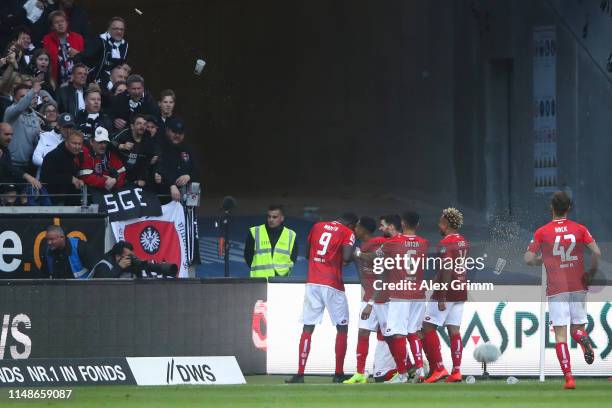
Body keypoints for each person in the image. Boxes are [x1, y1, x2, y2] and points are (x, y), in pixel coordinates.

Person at [524, 191, 600, 390]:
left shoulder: (542, 232)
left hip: (557, 288)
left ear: (552, 207)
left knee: (560, 335)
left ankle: (569, 378)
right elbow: (596, 252)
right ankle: (582, 337)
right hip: (578, 285)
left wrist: (542, 260)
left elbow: (528, 259)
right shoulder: (580, 229)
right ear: (569, 208)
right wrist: (591, 272)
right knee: (577, 328)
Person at [285, 213, 357, 384]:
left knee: (308, 327)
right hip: (333, 283)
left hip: (313, 282)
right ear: (352, 224)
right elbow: (347, 257)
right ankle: (338, 374)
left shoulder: (317, 226)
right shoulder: (348, 232)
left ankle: (300, 374)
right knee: (342, 327)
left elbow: (308, 254)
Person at [422, 207, 469, 383]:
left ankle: (439, 368)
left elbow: (447, 268)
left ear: (446, 224)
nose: (438, 225)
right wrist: (437, 277)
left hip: (447, 291)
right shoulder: (463, 241)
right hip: (460, 289)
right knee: (454, 330)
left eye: (440, 222)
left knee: (428, 326)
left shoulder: (444, 243)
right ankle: (456, 371)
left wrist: (441, 296)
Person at [342, 216, 388, 384]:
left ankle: (406, 367)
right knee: (363, 332)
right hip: (368, 295)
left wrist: (371, 303)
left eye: (357, 227)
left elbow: (383, 274)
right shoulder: (360, 247)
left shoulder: (380, 244)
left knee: (389, 335)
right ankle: (360, 372)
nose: (355, 230)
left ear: (364, 230)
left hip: (382, 298)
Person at [244, 204, 298, 278]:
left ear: (282, 218)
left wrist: (283, 271)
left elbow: (293, 258)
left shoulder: (291, 235)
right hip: (259, 279)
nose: (271, 219)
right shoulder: (255, 232)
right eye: (269, 216)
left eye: (274, 217)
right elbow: (248, 256)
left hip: (281, 279)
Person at [3, 83, 41, 176]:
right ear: (15, 99)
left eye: (27, 96)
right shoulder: (10, 111)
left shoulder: (34, 116)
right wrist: (33, 91)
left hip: (28, 165)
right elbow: (20, 107)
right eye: (22, 96)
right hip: (10, 163)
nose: (26, 99)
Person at [40, 129, 84, 205]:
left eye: (79, 144)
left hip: (74, 199)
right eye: (74, 143)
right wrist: (70, 178)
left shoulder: (79, 155)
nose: (77, 147)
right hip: (56, 200)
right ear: (66, 142)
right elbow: (46, 178)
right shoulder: (53, 156)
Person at [112, 114, 157, 188]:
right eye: (139, 123)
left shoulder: (148, 139)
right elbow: (110, 142)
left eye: (144, 124)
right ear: (132, 126)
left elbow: (146, 163)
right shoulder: (126, 133)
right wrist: (121, 146)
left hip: (135, 175)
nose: (142, 126)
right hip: (118, 172)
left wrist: (142, 179)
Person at [153, 118, 193, 201]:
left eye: (180, 133)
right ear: (167, 131)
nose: (177, 135)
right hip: (165, 194)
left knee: (194, 188)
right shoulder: (160, 148)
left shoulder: (188, 148)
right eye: (174, 132)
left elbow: (197, 169)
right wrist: (171, 185)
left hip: (185, 193)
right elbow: (159, 170)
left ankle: (189, 213)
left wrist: (189, 176)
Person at [42, 10, 85, 86]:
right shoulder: (47, 39)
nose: (60, 24)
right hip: (56, 81)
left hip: (76, 80)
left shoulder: (78, 38)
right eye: (56, 22)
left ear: (67, 23)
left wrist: (78, 54)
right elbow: (46, 60)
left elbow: (85, 59)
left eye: (62, 21)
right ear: (52, 27)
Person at [79, 126, 125, 192]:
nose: (103, 145)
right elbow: (85, 177)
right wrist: (105, 182)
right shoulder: (84, 152)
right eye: (100, 142)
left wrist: (115, 181)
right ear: (91, 142)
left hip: (108, 196)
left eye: (105, 142)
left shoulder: (110, 153)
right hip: (89, 196)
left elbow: (122, 174)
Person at [84, 17, 128, 85]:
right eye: (116, 29)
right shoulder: (98, 40)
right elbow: (86, 60)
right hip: (96, 81)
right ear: (109, 29)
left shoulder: (125, 45)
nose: (119, 31)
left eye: (121, 29)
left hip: (115, 83)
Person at [0, 122, 40, 191]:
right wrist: (27, 176)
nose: (10, 137)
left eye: (11, 135)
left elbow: (9, 169)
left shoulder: (5, 149)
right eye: (6, 134)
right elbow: (7, 166)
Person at [32, 111, 73, 178]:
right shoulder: (45, 136)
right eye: (65, 127)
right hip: (45, 178)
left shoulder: (74, 141)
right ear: (58, 126)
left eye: (70, 127)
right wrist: (53, 166)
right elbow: (35, 158)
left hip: (64, 179)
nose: (68, 130)